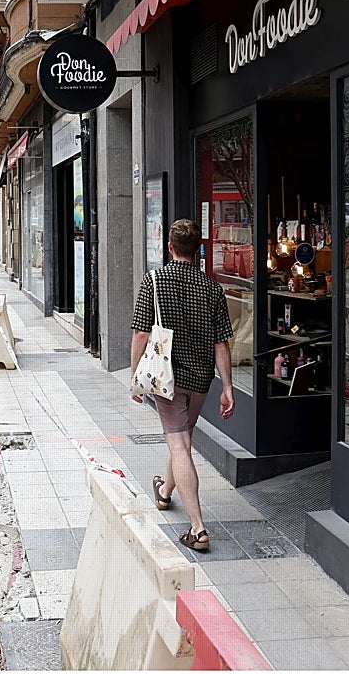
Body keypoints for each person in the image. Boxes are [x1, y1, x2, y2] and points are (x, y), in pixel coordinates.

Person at [131, 219, 235, 552]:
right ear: (198, 249)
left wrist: (134, 375)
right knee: (182, 439)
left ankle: (198, 528)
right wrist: (228, 387)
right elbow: (222, 343)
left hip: (168, 379)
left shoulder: (154, 280)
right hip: (201, 378)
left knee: (178, 445)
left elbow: (141, 333)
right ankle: (164, 492)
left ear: (170, 247)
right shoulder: (212, 287)